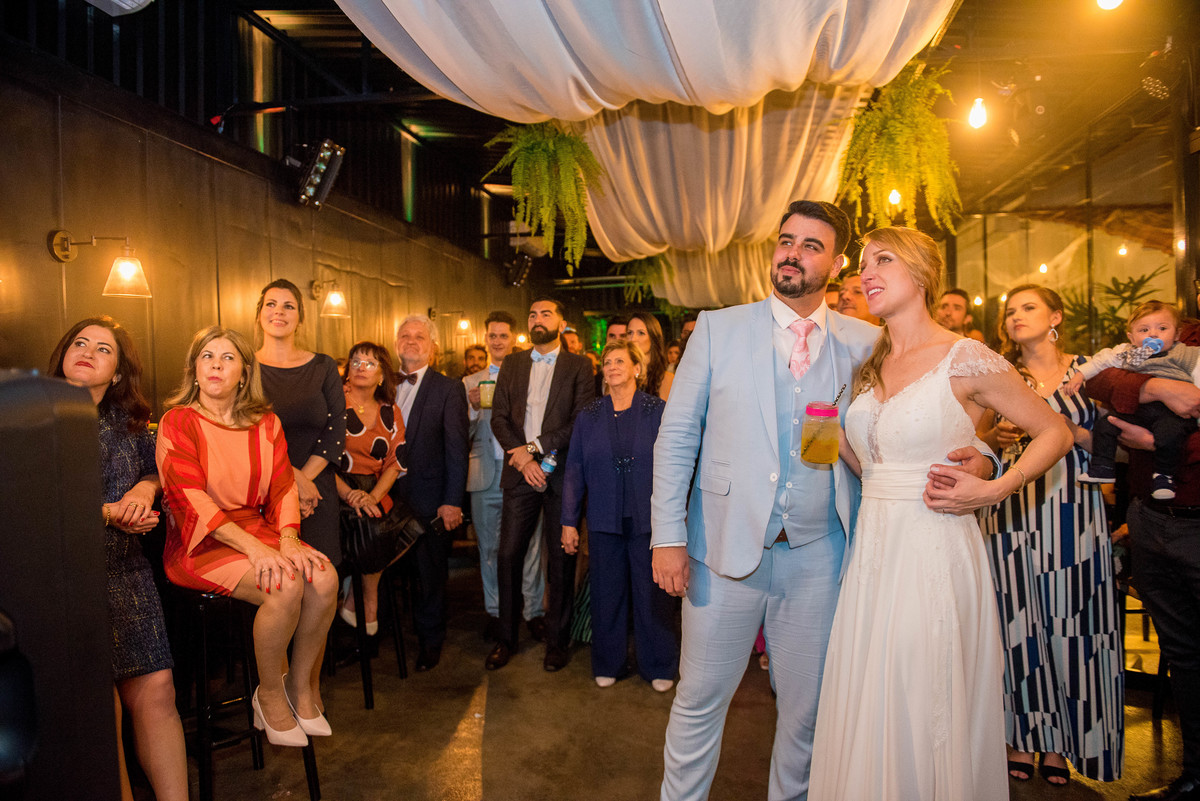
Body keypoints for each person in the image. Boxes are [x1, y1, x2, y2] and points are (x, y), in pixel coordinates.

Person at [651, 201, 999, 801]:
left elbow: (935, 412)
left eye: (811, 246)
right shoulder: (716, 328)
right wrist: (668, 537)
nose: (792, 253)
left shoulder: (869, 342)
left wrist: (984, 458)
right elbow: (677, 435)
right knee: (698, 700)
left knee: (809, 713)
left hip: (822, 554)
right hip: (723, 550)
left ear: (837, 266)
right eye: (786, 240)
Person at [809, 230, 1072, 800]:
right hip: (872, 554)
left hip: (933, 546)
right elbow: (869, 463)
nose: (866, 273)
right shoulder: (872, 362)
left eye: (883, 260)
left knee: (920, 690)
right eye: (863, 264)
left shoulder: (966, 356)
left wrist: (996, 487)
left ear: (922, 273)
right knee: (872, 690)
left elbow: (1055, 431)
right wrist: (825, 432)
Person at [973, 284, 1126, 786]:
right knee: (1014, 625)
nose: (1016, 316)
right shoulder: (997, 373)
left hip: (1073, 511)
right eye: (1009, 311)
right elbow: (972, 440)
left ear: (1055, 316)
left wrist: (1065, 431)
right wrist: (996, 436)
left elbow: (1119, 446)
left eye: (1028, 307)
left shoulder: (1090, 372)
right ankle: (1020, 737)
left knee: (1074, 623)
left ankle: (1062, 745)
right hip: (1011, 510)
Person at [157, 326, 337, 747]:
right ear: (194, 369)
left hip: (258, 528)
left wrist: (289, 539)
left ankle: (300, 686)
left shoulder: (266, 423)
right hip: (200, 540)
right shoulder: (178, 421)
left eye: (227, 357)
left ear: (244, 372)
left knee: (325, 577)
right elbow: (189, 500)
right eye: (207, 356)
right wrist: (256, 549)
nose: (216, 365)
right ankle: (268, 694)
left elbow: (283, 487)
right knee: (285, 584)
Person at [49, 317, 187, 801]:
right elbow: (33, 507)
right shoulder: (32, 421)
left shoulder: (129, 425)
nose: (88, 351)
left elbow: (158, 469)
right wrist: (111, 513)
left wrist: (143, 491)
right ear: (63, 355)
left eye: (103, 349)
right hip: (59, 580)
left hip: (125, 572)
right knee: (99, 703)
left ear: (119, 374)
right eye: (80, 343)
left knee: (158, 689)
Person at [1088, 324, 1200, 801]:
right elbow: (1102, 379)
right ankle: (1194, 775)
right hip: (1152, 521)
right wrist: (1157, 387)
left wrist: (1159, 444)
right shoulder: (1180, 333)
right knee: (1183, 654)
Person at [561, 340, 679, 691]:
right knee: (606, 594)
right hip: (603, 520)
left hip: (649, 521)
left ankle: (658, 665)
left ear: (637, 369)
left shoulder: (658, 411)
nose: (612, 367)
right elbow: (574, 469)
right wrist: (568, 522)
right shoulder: (589, 415)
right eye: (607, 362)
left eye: (620, 361)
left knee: (653, 595)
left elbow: (675, 465)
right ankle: (608, 663)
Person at [486, 296, 595, 672]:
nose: (537, 319)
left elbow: (580, 420)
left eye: (546, 313)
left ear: (561, 323)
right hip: (520, 474)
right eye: (532, 314)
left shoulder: (579, 366)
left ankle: (557, 641)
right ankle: (505, 638)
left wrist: (533, 449)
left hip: (561, 475)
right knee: (507, 556)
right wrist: (522, 458)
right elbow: (498, 418)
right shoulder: (513, 363)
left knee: (561, 560)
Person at [391, 314, 469, 672]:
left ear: (433, 348)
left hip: (429, 498)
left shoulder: (448, 388)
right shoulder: (382, 384)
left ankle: (430, 640)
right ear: (396, 344)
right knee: (387, 573)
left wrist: (452, 501)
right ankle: (382, 636)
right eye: (405, 335)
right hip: (385, 498)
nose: (411, 341)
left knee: (429, 575)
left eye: (419, 336)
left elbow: (457, 449)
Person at [464, 311, 546, 642]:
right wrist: (471, 408)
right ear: (486, 339)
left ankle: (533, 611)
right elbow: (460, 434)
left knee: (532, 546)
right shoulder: (470, 383)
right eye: (492, 335)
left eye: (503, 335)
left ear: (513, 339)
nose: (497, 341)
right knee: (489, 548)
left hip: (523, 469)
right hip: (485, 472)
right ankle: (497, 611)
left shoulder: (530, 375)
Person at [254, 279, 346, 563]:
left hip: (317, 490)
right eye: (271, 304)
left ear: (300, 317)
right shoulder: (245, 369)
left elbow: (335, 432)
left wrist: (304, 480)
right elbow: (245, 436)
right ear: (259, 314)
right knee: (277, 575)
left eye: (288, 306)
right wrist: (293, 481)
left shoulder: (324, 366)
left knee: (322, 574)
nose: (278, 312)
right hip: (264, 490)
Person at [1073, 300, 1200, 500]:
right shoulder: (1133, 352)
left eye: (1162, 329)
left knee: (1169, 433)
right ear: (1132, 337)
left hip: (1172, 417)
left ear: (1177, 334)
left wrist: (1152, 442)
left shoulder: (1184, 352)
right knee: (1105, 425)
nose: (1153, 334)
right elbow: (1100, 375)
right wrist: (1155, 388)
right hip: (1140, 416)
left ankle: (1163, 477)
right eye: (1144, 330)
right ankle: (1103, 466)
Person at [334, 342, 406, 636]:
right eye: (355, 362)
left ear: (382, 375)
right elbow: (320, 457)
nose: (361, 368)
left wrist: (373, 496)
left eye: (369, 363)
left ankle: (355, 594)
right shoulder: (335, 401)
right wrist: (350, 494)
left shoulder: (390, 409)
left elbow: (396, 461)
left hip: (374, 490)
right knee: (373, 528)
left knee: (407, 526)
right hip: (336, 487)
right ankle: (368, 598)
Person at [627, 312, 674, 400]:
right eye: (630, 333)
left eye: (641, 333)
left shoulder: (666, 379)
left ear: (653, 338)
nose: (633, 339)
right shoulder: (623, 375)